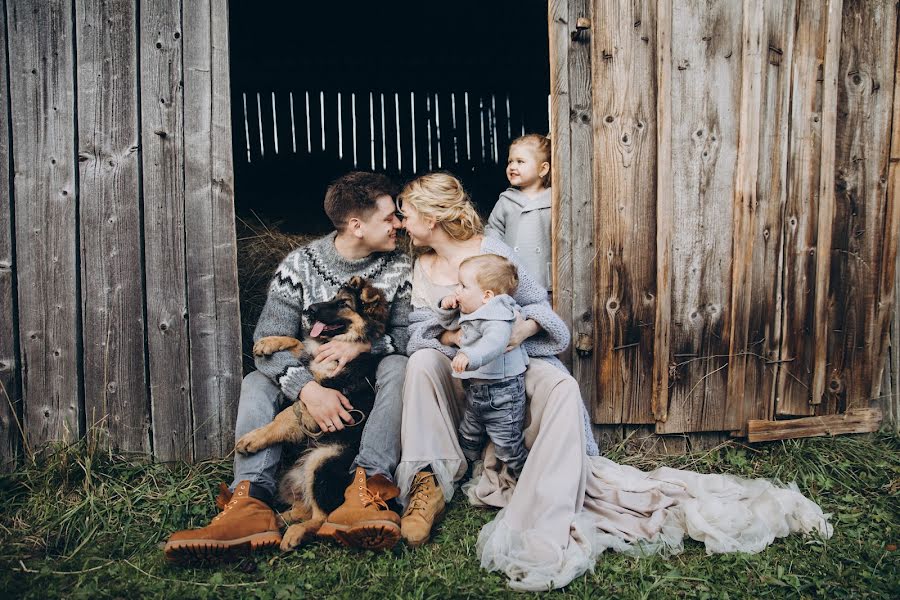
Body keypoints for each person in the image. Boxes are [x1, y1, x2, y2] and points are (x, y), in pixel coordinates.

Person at [395, 172, 832, 591]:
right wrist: (455, 337)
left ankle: (543, 475)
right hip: (458, 371)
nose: (402, 223)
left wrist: (519, 332)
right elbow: (414, 334)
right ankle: (429, 479)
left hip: (510, 366)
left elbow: (545, 314)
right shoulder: (423, 267)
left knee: (559, 385)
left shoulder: (492, 253)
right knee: (419, 364)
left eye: (406, 214)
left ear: (431, 218)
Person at [163, 172, 412, 562]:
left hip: (363, 386)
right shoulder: (299, 266)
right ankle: (252, 499)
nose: (400, 223)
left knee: (398, 366)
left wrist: (364, 345)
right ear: (357, 225)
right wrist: (308, 391)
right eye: (390, 218)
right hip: (309, 379)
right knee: (255, 382)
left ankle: (368, 487)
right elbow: (266, 346)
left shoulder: (400, 267)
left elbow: (409, 335)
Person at [435, 254, 530, 477]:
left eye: (463, 286)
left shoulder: (498, 317)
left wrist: (469, 355)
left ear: (487, 296)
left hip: (503, 393)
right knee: (468, 434)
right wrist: (447, 306)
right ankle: (465, 472)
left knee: (507, 442)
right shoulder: (475, 309)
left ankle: (525, 476)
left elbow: (494, 343)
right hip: (477, 391)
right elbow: (450, 323)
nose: (457, 290)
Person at [484, 134, 553, 292]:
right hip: (514, 273)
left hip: (545, 275)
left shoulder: (554, 200)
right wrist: (499, 257)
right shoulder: (506, 201)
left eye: (520, 162)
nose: (512, 167)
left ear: (543, 169)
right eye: (510, 162)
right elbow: (493, 229)